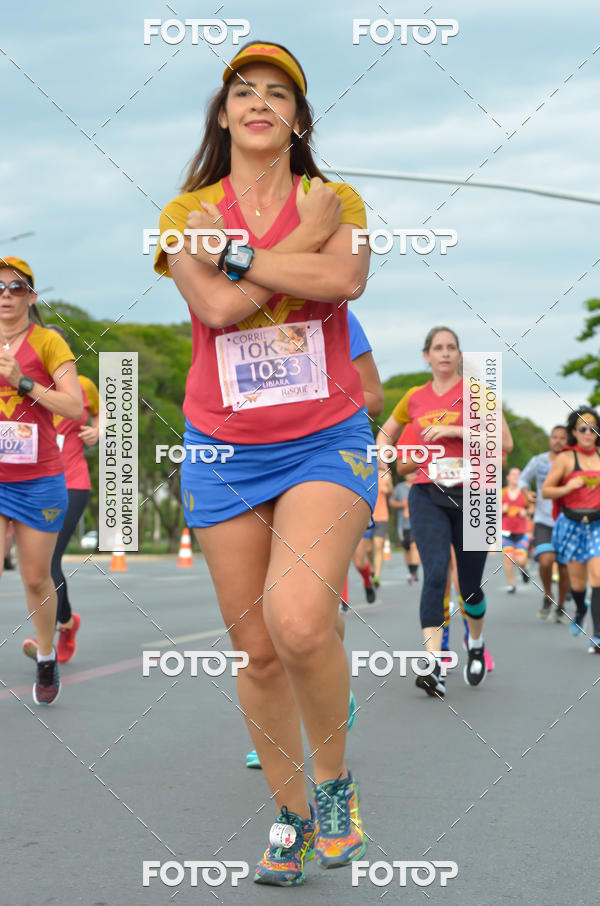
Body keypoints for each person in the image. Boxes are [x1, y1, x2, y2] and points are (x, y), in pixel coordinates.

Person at [153, 42, 376, 886]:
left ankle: (332, 784)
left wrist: (248, 253)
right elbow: (209, 305)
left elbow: (345, 280)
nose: (259, 102)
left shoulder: (336, 199)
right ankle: (286, 813)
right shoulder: (184, 211)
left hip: (325, 439)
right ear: (221, 114)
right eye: (242, 91)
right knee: (260, 652)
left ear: (297, 117)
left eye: (278, 93)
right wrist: (295, 257)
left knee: (301, 621)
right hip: (224, 449)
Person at [246, 308, 383, 769]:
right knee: (265, 621)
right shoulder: (224, 305)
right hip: (244, 461)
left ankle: (324, 692)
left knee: (302, 619)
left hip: (317, 461)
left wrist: (306, 387)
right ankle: (280, 725)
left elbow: (375, 396)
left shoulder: (335, 314)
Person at [375, 326, 513, 696]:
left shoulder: (478, 394)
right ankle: (433, 664)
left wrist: (460, 432)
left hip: (476, 495)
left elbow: (505, 441)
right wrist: (384, 462)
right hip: (426, 492)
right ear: (427, 356)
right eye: (438, 348)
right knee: (434, 574)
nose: (446, 353)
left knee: (470, 588)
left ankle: (477, 644)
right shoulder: (414, 398)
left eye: (452, 347)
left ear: (459, 355)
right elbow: (386, 432)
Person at [0, 256, 83, 704]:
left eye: (15, 288)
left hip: (38, 479)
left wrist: (24, 381)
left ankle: (47, 655)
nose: (6, 296)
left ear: (31, 297)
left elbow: (75, 409)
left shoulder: (48, 342)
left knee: (36, 578)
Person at [22, 327, 99, 663]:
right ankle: (66, 623)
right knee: (32, 566)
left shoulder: (80, 386)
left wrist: (99, 430)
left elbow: (101, 412)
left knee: (49, 563)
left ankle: (47, 643)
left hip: (72, 482)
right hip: (31, 482)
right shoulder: (18, 380)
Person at [542, 406, 600, 652]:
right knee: (577, 584)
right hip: (571, 525)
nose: (588, 433)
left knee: (598, 576)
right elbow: (546, 490)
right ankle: (581, 607)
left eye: (593, 429)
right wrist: (568, 487)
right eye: (582, 429)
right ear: (574, 432)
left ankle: (597, 634)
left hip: (597, 524)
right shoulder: (566, 458)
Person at [519, 425, 570, 619]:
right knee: (546, 560)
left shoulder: (572, 461)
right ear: (550, 439)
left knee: (565, 568)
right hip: (543, 519)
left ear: (568, 441)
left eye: (562, 438)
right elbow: (523, 479)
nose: (558, 441)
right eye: (555, 437)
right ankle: (548, 595)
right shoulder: (538, 461)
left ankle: (562, 604)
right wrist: (527, 493)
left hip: (567, 521)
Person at [501, 467, 532, 593]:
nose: (516, 477)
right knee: (508, 558)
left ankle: (524, 568)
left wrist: (527, 512)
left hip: (522, 532)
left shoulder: (524, 493)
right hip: (506, 532)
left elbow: (533, 508)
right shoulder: (501, 493)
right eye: (513, 474)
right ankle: (512, 585)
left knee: (520, 559)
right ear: (508, 477)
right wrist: (501, 510)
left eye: (518, 475)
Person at [389, 471, 419, 584]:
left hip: (417, 522)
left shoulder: (419, 487)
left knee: (414, 545)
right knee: (406, 548)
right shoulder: (399, 488)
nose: (411, 475)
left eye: (413, 473)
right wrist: (402, 504)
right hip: (403, 524)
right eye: (409, 473)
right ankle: (411, 571)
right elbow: (391, 502)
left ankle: (415, 571)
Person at [371, 471, 392, 589]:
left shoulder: (385, 474)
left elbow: (390, 492)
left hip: (382, 516)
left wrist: (389, 483)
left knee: (378, 545)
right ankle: (373, 568)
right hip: (368, 515)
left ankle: (377, 576)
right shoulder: (365, 469)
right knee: (368, 548)